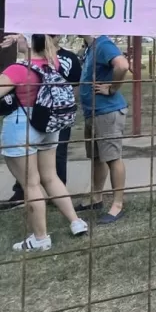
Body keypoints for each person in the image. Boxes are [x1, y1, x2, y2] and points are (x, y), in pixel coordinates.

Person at [0, 34, 88, 251]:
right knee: (50, 176)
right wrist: (22, 37)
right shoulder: (53, 63)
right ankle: (75, 221)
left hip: (22, 126)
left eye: (20, 38)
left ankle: (39, 237)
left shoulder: (16, 70)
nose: (16, 41)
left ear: (28, 43)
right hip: (49, 124)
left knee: (30, 184)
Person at [74, 35, 129, 224]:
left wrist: (113, 88)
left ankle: (117, 205)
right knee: (97, 158)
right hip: (93, 112)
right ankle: (96, 198)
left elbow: (122, 65)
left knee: (113, 158)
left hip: (107, 111)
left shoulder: (103, 44)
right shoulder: (91, 47)